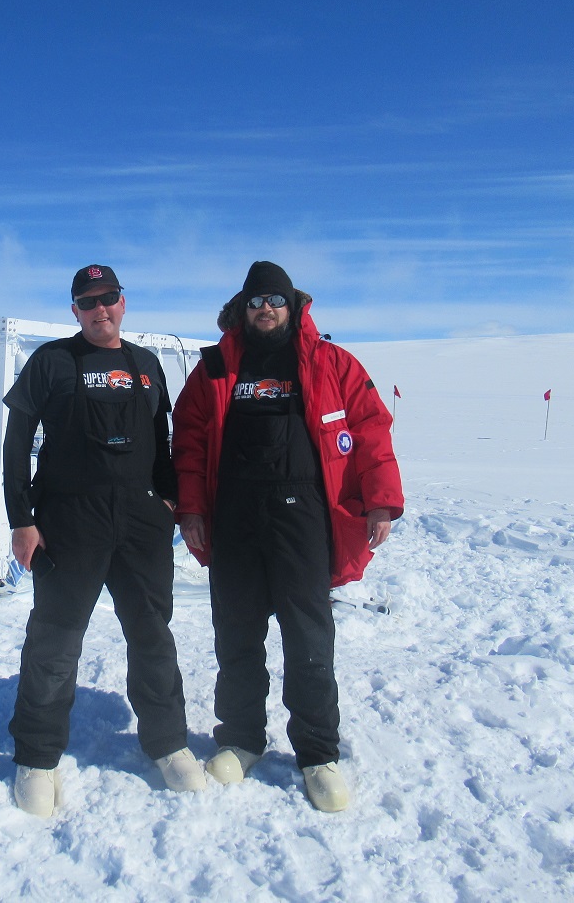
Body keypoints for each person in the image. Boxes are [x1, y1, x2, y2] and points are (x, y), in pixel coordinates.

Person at [171, 261, 403, 812]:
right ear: (243, 308)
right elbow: (190, 441)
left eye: (274, 300)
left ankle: (318, 754)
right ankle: (241, 739)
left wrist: (382, 500)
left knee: (309, 638)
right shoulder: (215, 368)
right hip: (235, 517)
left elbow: (372, 427)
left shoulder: (331, 363)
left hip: (303, 516)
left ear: (292, 304)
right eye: (255, 302)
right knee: (237, 635)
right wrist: (192, 509)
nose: (265, 310)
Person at [2, 264, 207, 817]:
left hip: (140, 522)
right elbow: (17, 442)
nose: (100, 309)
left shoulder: (146, 365)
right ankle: (38, 755)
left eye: (109, 298)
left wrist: (170, 501)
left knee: (151, 634)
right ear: (74, 310)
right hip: (70, 520)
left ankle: (168, 743)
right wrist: (21, 518)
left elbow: (162, 443)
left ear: (123, 302)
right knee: (55, 639)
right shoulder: (51, 362)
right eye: (88, 301)